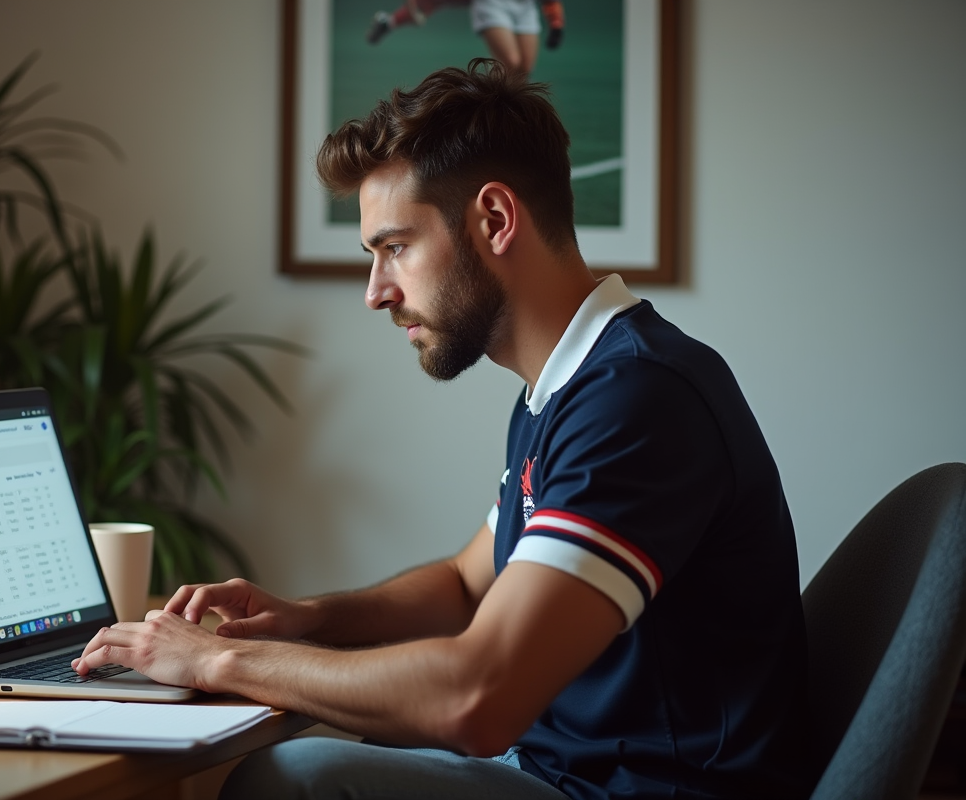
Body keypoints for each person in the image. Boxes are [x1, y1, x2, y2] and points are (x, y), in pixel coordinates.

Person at [73, 59, 814, 800]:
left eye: (394, 247)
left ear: (495, 220)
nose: (375, 293)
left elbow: (477, 699)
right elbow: (468, 583)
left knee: (296, 778)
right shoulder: (564, 389)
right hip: (560, 773)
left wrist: (214, 662)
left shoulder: (638, 397)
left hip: (634, 793)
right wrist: (304, 620)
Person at [368, 0, 565, 77]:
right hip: (492, 4)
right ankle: (494, 113)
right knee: (511, 63)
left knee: (524, 69)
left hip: (525, 6)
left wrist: (556, 24)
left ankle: (513, 116)